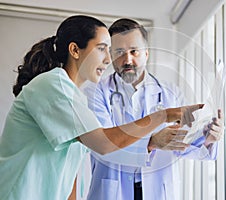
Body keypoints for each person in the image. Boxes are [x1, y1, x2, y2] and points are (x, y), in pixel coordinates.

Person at [0, 15, 202, 200]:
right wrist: (162, 116)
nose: (108, 59)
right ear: (75, 51)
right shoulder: (53, 84)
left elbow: (70, 171)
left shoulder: (74, 97)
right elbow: (104, 143)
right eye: (102, 48)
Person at [84, 18, 224, 200]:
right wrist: (151, 142)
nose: (128, 59)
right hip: (112, 191)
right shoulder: (95, 92)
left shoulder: (171, 93)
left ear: (146, 53)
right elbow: (103, 144)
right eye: (119, 52)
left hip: (158, 190)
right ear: (110, 55)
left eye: (134, 51)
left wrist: (208, 138)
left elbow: (183, 144)